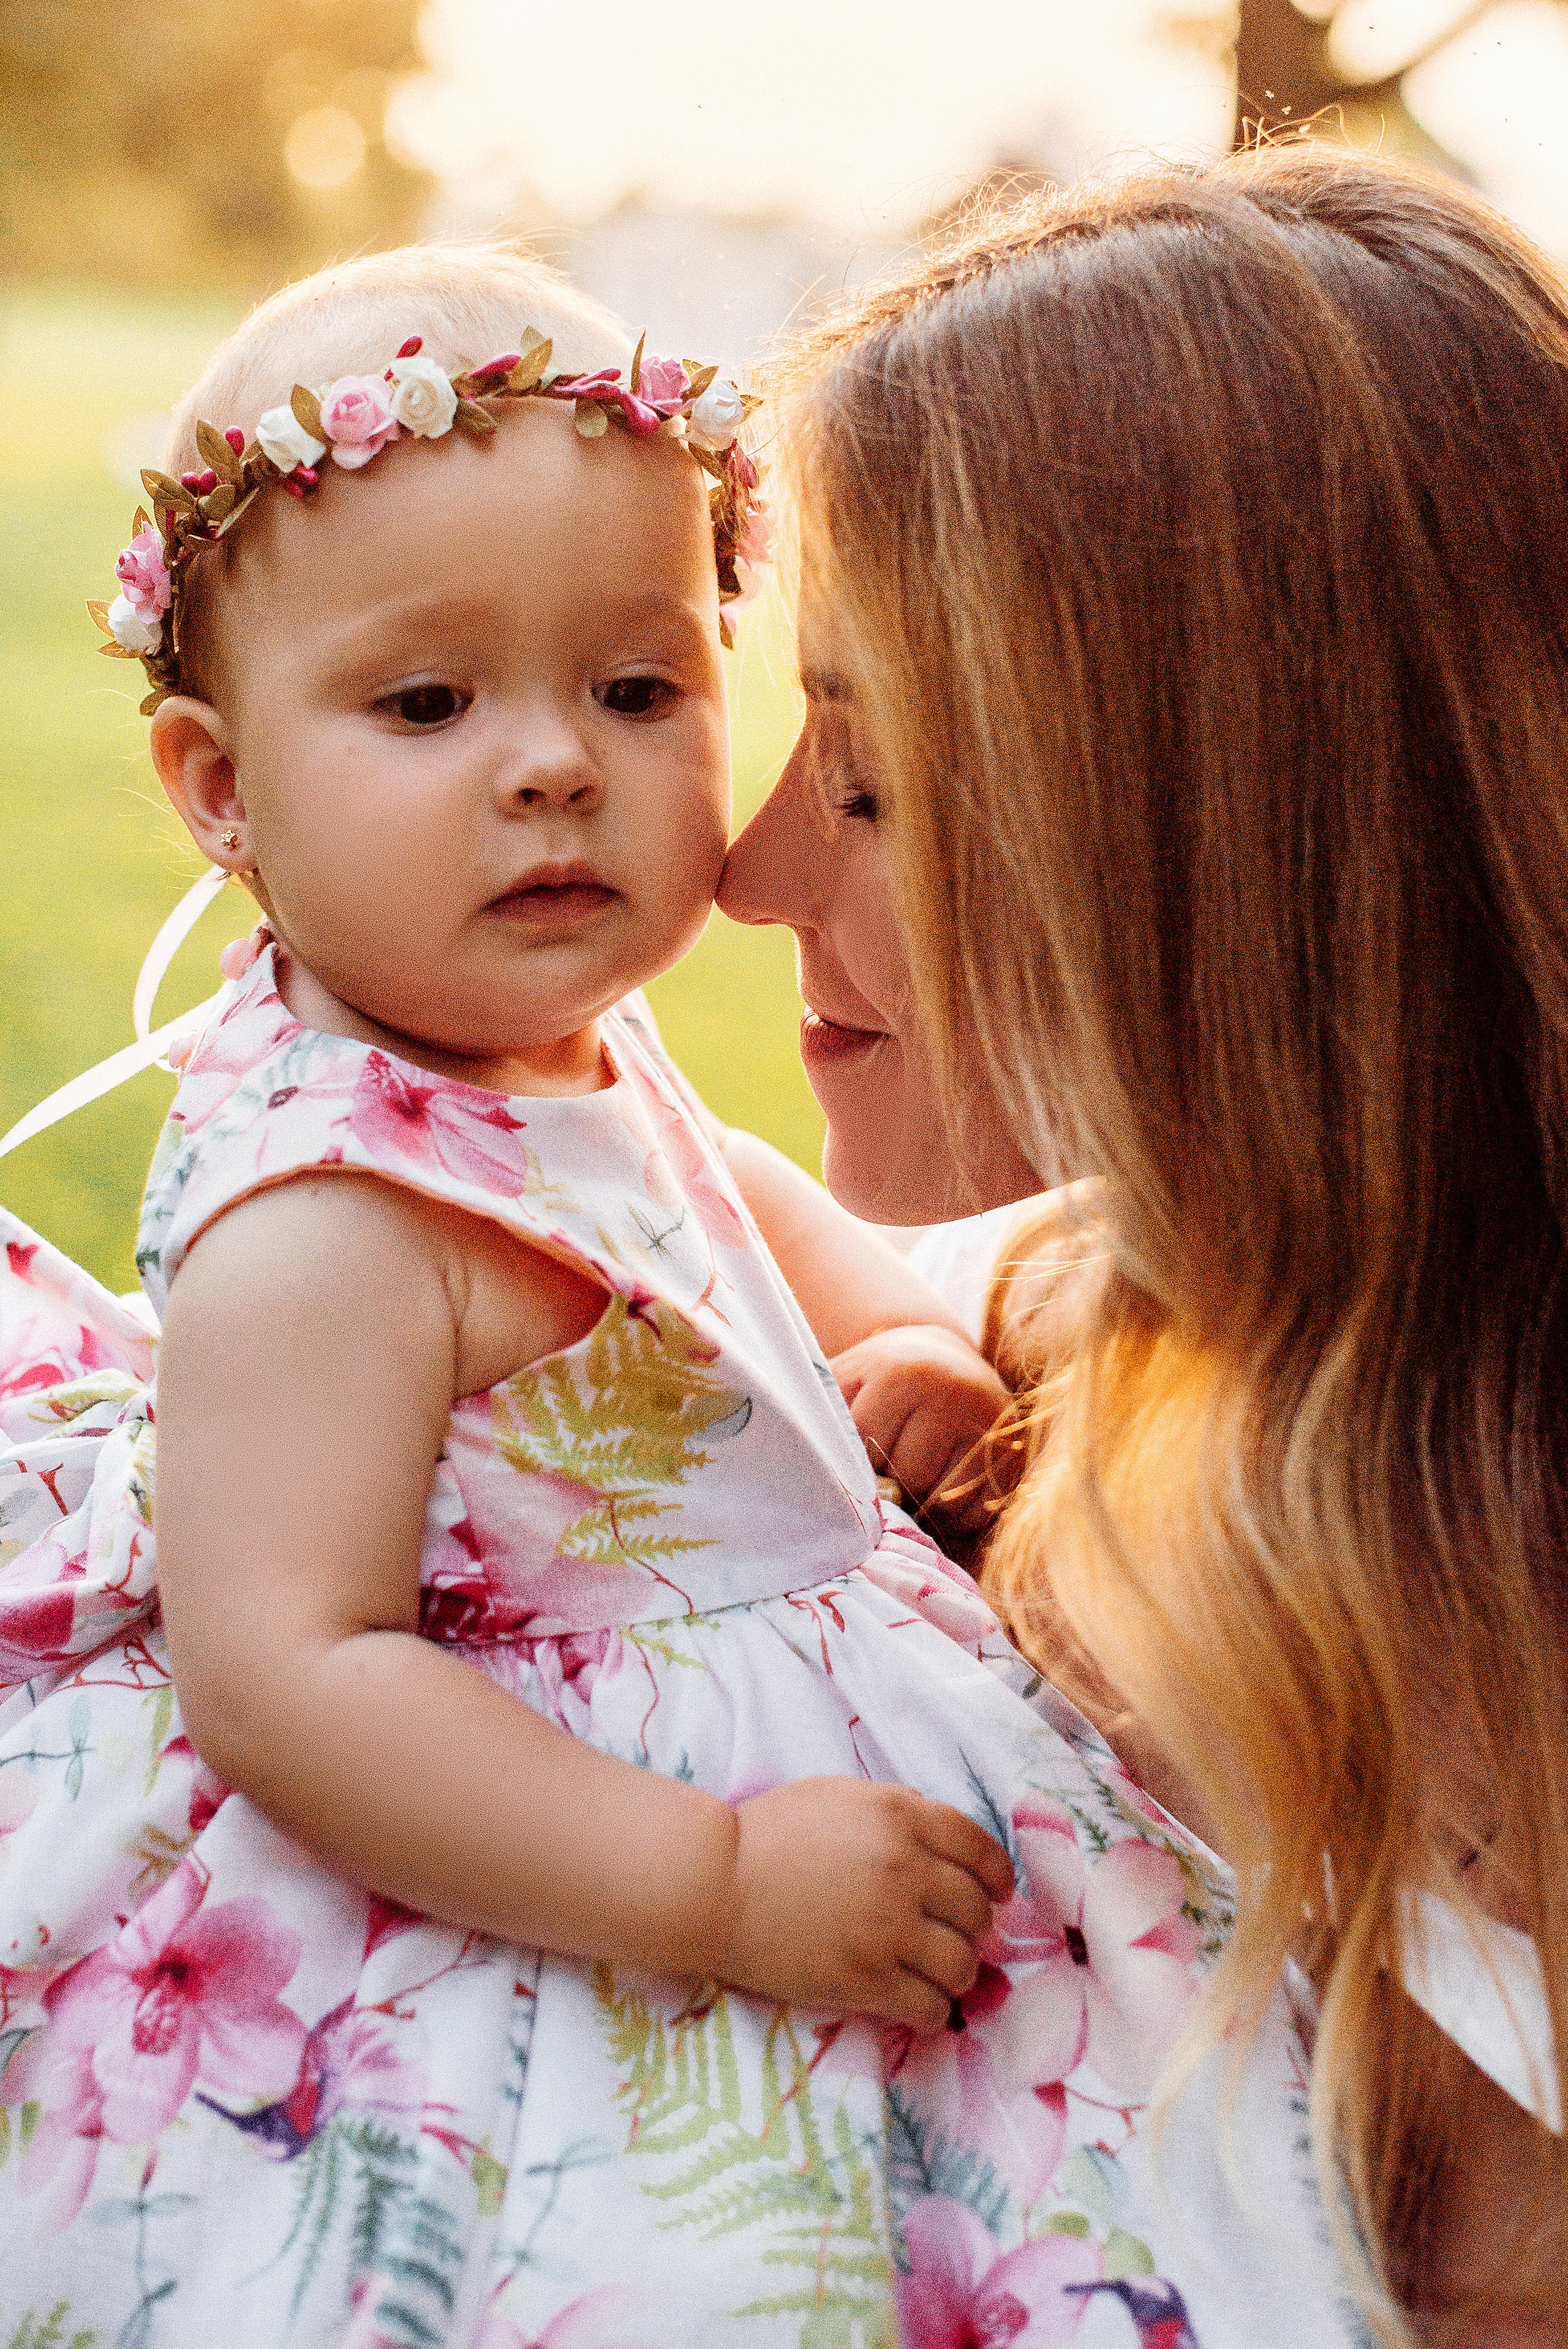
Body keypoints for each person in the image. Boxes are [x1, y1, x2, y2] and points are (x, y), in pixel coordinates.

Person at [0, 243, 1355, 2346]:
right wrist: (706, 1886)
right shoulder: (329, 1222)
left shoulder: (560, 1052)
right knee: (718, 2251)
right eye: (429, 703)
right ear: (215, 788)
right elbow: (292, 1676)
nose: (554, 766)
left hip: (797, 1755)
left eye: (637, 689)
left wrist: (888, 1347)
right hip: (549, 1848)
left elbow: (734, 1232)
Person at [718, 145, 1568, 2345]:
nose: (742, 870)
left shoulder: (1480, 1788)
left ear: (1218, 840)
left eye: (876, 779)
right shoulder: (1058, 1353)